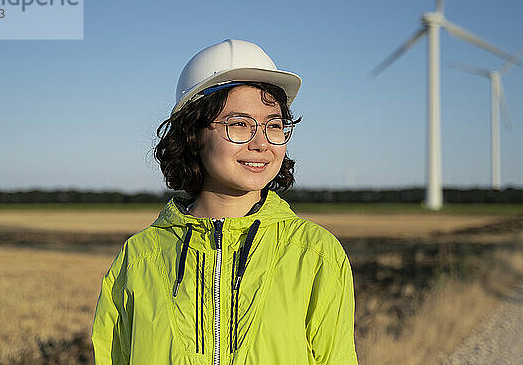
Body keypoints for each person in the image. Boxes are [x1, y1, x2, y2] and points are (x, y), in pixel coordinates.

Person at [91, 39, 358, 364]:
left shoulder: (316, 254)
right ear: (193, 134)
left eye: (274, 126)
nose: (262, 143)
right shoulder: (137, 259)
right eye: (239, 124)